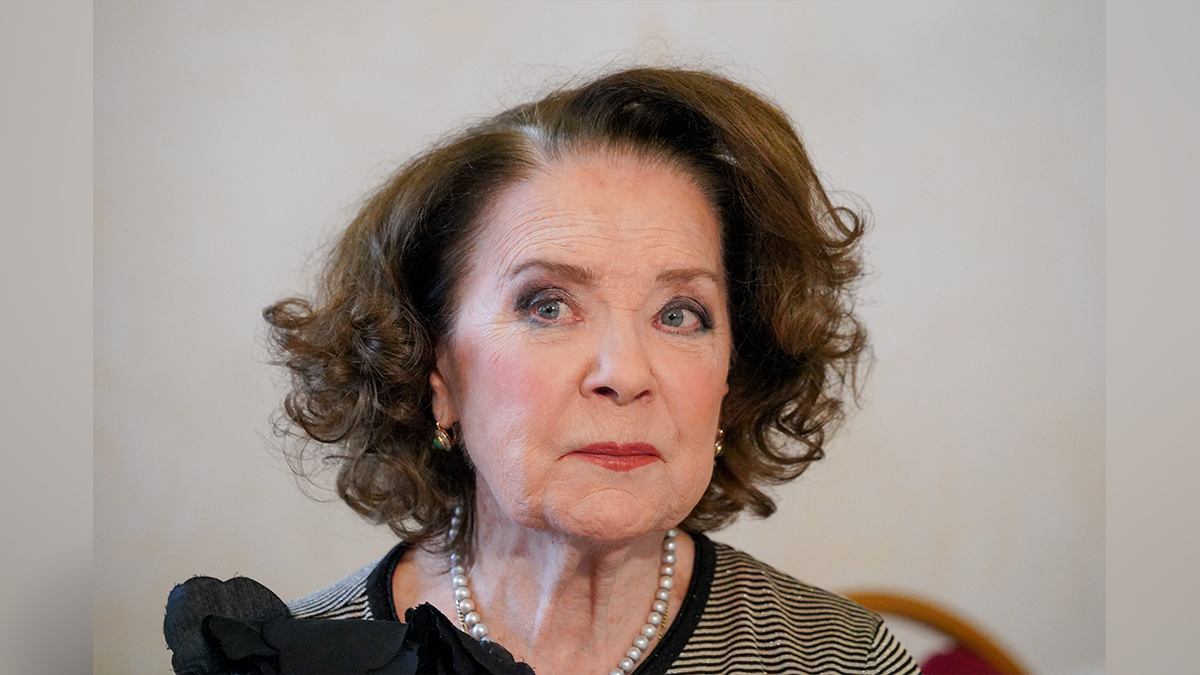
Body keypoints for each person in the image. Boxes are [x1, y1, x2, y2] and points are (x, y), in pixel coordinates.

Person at [164, 66, 922, 675]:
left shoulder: (844, 658)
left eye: (680, 314)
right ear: (436, 368)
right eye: (548, 306)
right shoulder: (291, 661)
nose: (624, 373)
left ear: (731, 374)